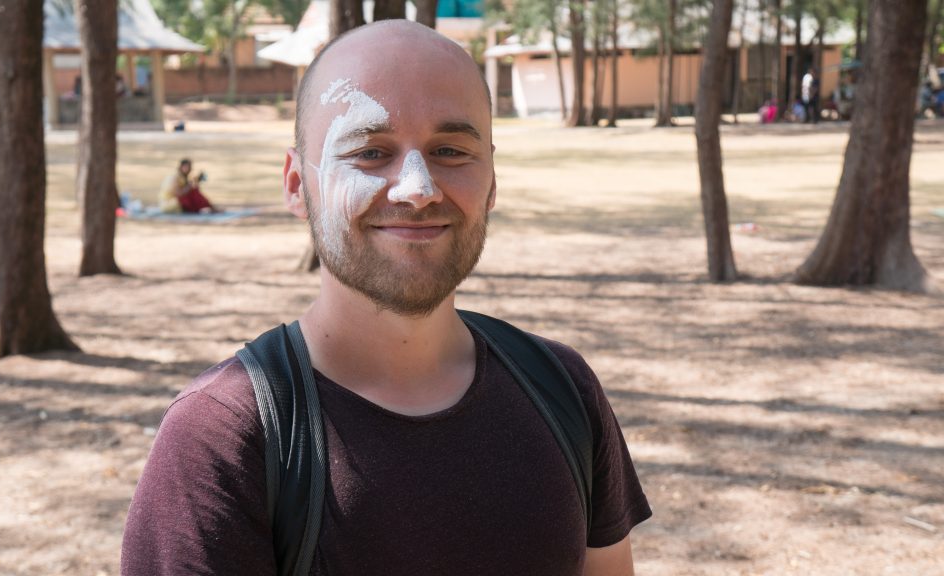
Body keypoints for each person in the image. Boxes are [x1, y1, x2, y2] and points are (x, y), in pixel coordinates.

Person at [122, 21, 651, 576]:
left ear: (492, 180)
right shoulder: (223, 438)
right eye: (371, 152)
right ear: (298, 184)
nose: (418, 187)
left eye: (450, 150)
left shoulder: (561, 386)